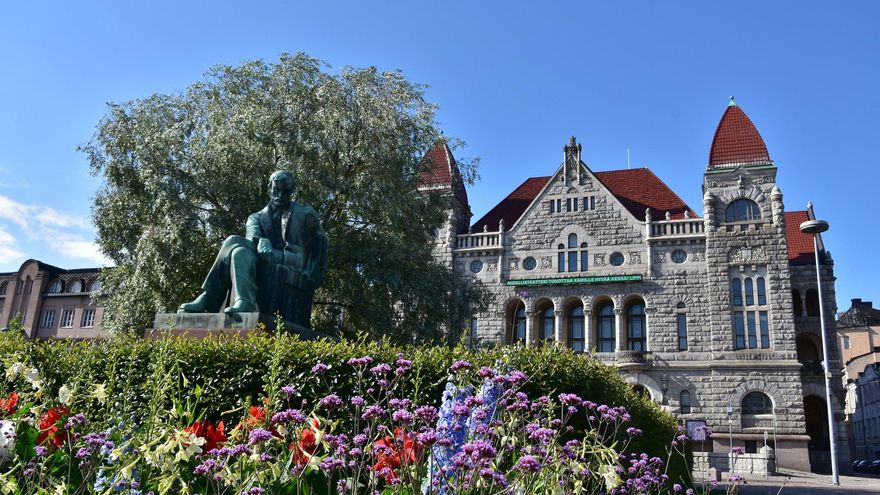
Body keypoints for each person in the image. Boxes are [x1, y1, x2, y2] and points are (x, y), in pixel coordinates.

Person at [179, 170, 327, 327]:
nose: (280, 195)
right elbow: (251, 237)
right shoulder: (256, 217)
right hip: (263, 258)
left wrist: (317, 271)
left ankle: (209, 296)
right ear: (269, 188)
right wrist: (261, 242)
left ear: (292, 191)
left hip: (292, 260)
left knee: (232, 241)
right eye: (276, 190)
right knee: (239, 251)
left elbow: (321, 240)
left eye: (286, 191)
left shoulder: (305, 213)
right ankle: (244, 301)